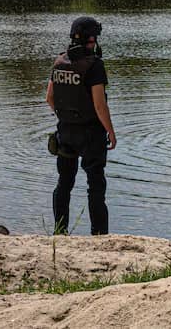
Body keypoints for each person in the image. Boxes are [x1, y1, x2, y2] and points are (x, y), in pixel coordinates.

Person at [46, 16, 117, 236]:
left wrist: (66, 116)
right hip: (91, 134)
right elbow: (99, 105)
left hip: (65, 132)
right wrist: (111, 132)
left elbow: (50, 97)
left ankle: (60, 232)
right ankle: (99, 235)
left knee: (64, 184)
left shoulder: (60, 62)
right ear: (91, 39)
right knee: (96, 186)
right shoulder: (95, 66)